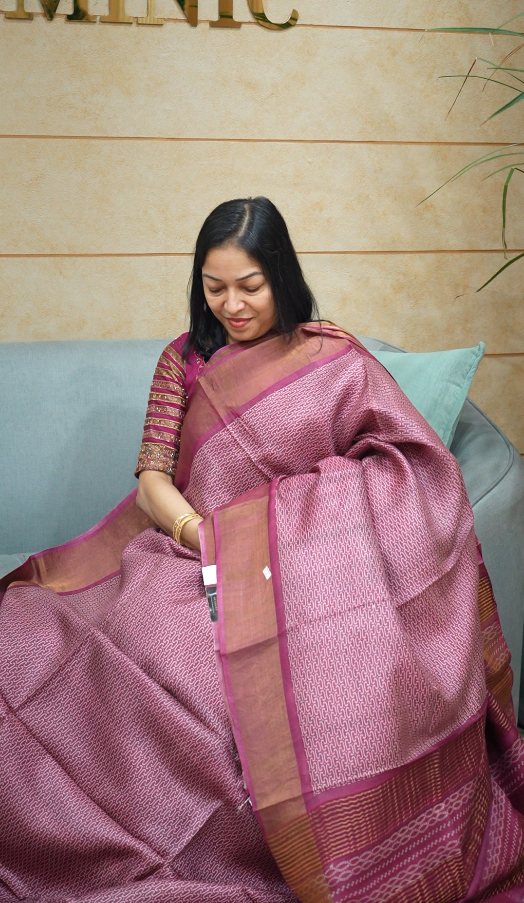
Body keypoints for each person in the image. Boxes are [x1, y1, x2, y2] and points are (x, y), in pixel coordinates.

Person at [1, 197, 524, 903]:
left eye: (249, 286)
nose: (232, 305)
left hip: (316, 571)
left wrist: (284, 535)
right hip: (190, 557)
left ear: (280, 275)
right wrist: (207, 539)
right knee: (87, 645)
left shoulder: (332, 357)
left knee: (248, 685)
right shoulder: (186, 360)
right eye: (215, 287)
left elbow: (408, 463)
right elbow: (153, 478)